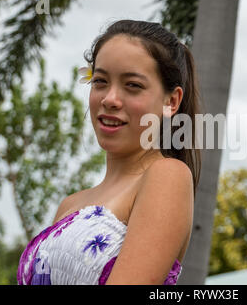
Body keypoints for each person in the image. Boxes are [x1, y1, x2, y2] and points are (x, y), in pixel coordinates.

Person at [17, 19, 203, 285]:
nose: (109, 99)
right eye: (101, 81)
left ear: (171, 101)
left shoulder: (167, 176)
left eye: (133, 85)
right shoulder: (69, 205)